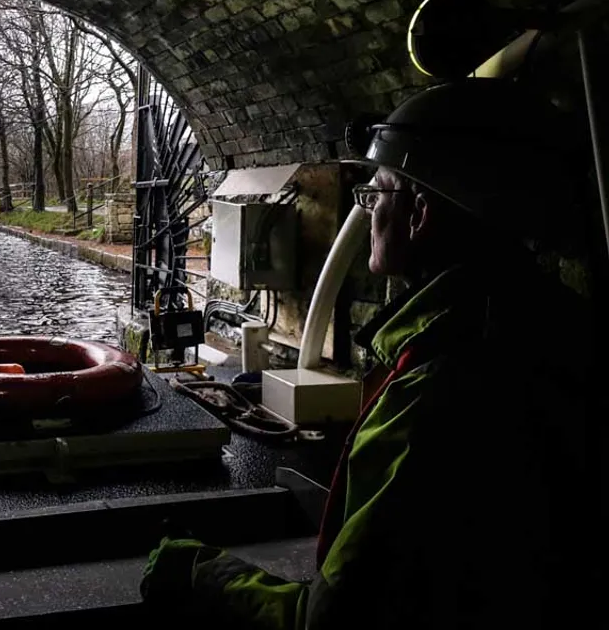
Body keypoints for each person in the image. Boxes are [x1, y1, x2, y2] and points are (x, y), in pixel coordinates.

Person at [140, 78, 595, 629]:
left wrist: (203, 571)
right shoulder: (561, 329)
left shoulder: (434, 390)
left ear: (419, 214)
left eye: (377, 194)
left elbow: (330, 620)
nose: (369, 209)